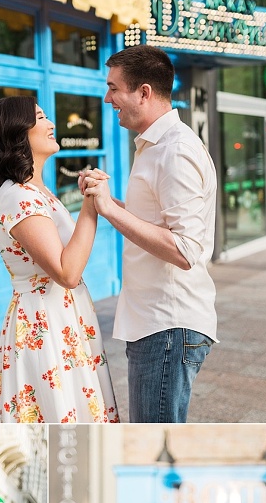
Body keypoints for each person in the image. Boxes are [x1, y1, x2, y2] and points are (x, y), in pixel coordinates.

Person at [81, 44, 217, 424]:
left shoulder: (174, 150)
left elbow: (187, 249)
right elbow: (156, 224)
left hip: (168, 326)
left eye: (113, 88)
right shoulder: (156, 146)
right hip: (157, 323)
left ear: (143, 92)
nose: (107, 98)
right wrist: (109, 203)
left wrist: (109, 209)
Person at [0, 95, 119, 424]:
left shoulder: (37, 190)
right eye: (40, 117)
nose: (51, 124)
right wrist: (89, 204)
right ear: (17, 133)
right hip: (45, 320)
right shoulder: (17, 196)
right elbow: (67, 272)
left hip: (63, 316)